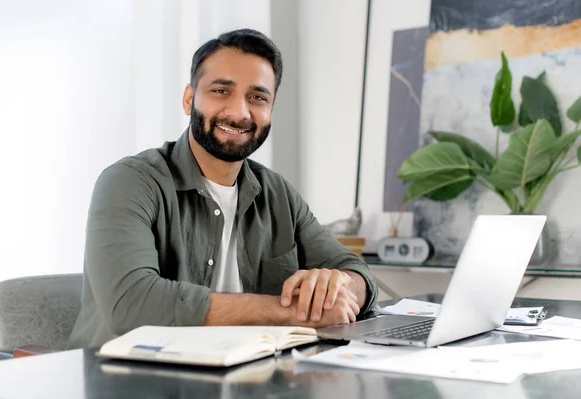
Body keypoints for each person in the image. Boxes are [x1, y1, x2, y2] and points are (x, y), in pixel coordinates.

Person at [67, 28, 378, 349]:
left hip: (250, 376)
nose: (239, 112)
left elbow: (356, 271)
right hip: (129, 378)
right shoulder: (130, 181)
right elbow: (131, 303)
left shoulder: (278, 193)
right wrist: (293, 313)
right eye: (220, 91)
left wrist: (342, 286)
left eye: (257, 97)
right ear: (189, 99)